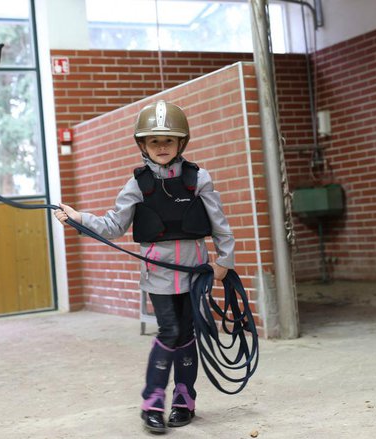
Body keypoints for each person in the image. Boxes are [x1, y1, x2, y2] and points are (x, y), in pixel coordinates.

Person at [53, 100, 235, 434]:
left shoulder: (200, 179)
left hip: (196, 275)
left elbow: (220, 223)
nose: (162, 147)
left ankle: (184, 400)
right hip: (159, 277)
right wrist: (79, 219)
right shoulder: (137, 185)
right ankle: (152, 404)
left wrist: (224, 260)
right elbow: (113, 225)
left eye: (168, 140)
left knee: (187, 334)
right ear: (143, 145)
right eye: (154, 141)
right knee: (169, 332)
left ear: (181, 143)